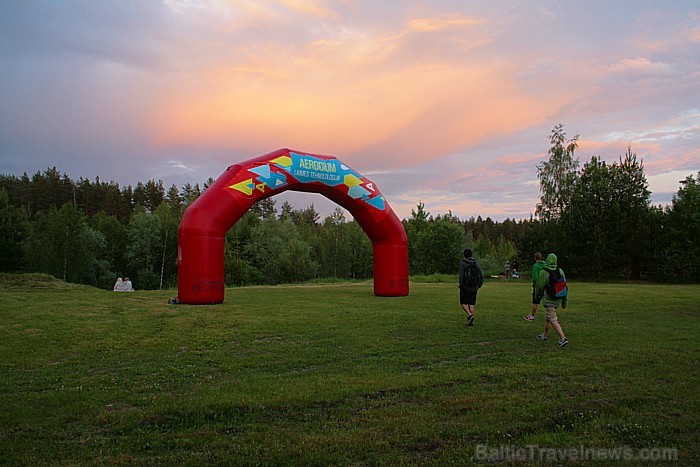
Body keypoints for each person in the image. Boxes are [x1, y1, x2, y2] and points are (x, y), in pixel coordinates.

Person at [534, 253, 569, 347]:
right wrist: (564, 302)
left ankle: (563, 338)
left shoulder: (544, 272)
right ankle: (544, 336)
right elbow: (565, 286)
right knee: (548, 318)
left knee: (553, 319)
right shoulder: (560, 271)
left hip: (549, 300)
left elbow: (539, 287)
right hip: (559, 298)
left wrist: (537, 298)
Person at [459, 248, 484, 327]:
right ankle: (471, 319)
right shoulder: (475, 263)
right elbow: (481, 274)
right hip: (474, 286)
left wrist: (461, 285)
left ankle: (470, 315)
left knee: (463, 302)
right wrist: (479, 284)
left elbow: (461, 275)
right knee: (472, 303)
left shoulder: (463, 263)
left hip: (466, 286)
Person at [524, 252, 547, 321]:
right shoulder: (546, 265)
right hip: (546, 285)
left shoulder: (536, 266)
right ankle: (551, 315)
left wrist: (535, 285)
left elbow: (535, 278)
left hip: (538, 286)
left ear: (535, 258)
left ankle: (532, 316)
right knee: (547, 301)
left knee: (535, 302)